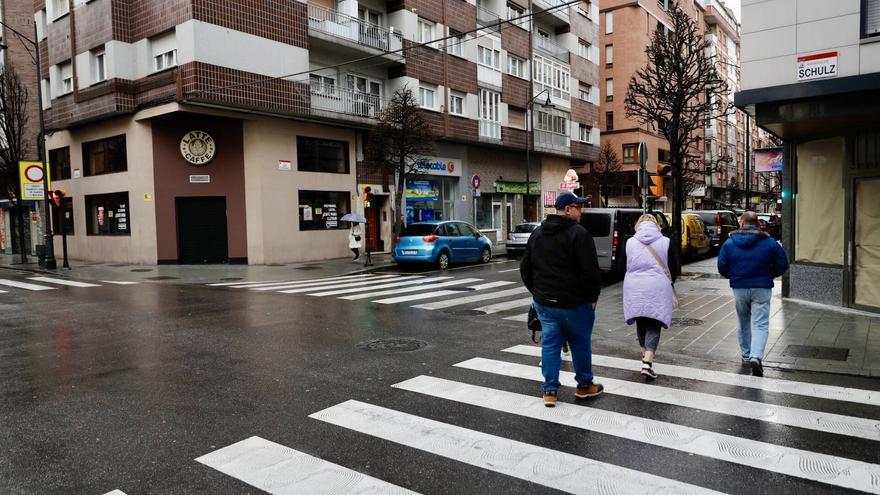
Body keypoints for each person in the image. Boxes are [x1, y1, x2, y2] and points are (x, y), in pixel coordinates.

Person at [520, 192, 603, 407]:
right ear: (567, 209)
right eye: (578, 207)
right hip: (575, 303)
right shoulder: (579, 234)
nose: (581, 212)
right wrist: (592, 297)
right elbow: (590, 271)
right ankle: (584, 386)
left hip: (546, 303)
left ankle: (550, 391)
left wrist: (537, 292)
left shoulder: (537, 234)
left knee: (549, 344)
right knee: (580, 343)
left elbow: (525, 268)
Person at [718, 211, 789, 377]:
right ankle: (756, 356)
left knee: (743, 321)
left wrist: (734, 276)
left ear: (742, 223)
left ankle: (745, 355)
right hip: (762, 288)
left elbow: (722, 266)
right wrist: (770, 274)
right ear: (757, 224)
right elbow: (782, 263)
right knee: (761, 324)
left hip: (740, 288)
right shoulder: (769, 242)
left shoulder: (729, 243)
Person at [622, 214, 675, 380]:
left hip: (634, 285)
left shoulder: (630, 242)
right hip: (658, 285)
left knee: (641, 320)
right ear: (656, 225)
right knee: (654, 321)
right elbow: (673, 267)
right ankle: (647, 362)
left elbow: (624, 264)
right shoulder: (666, 241)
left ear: (638, 225)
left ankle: (645, 358)